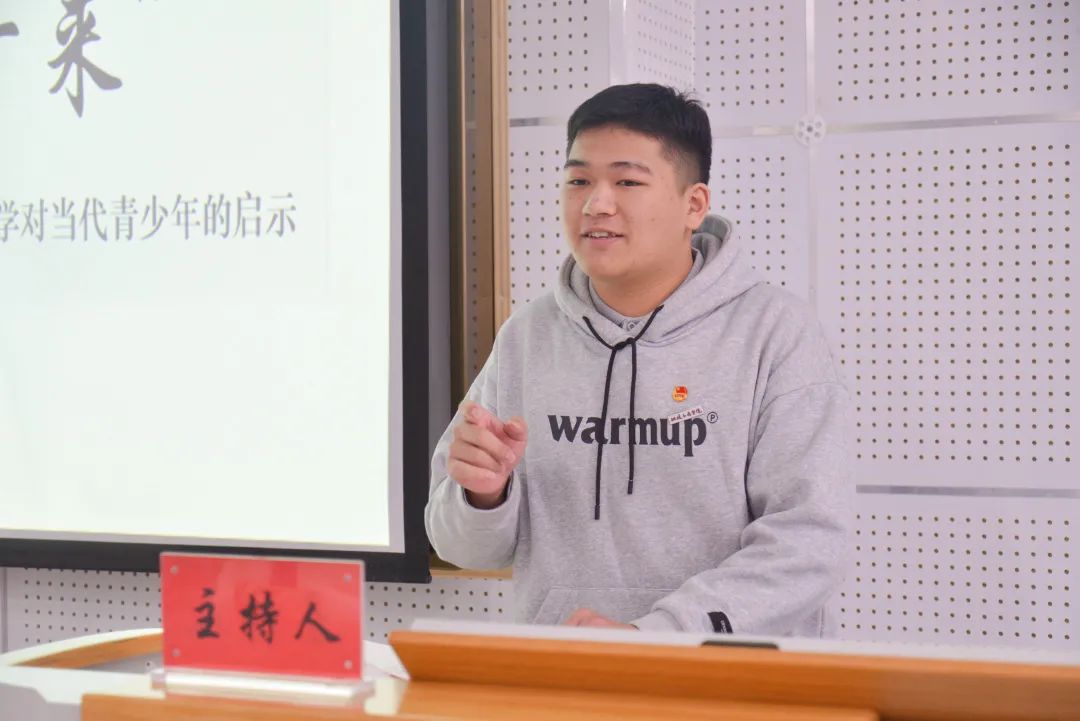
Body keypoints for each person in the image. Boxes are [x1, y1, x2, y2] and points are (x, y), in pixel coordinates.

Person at [425, 83, 852, 635]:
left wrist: (656, 635)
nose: (596, 203)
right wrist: (484, 495)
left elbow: (808, 542)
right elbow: (462, 548)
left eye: (627, 181)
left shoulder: (776, 333)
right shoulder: (527, 336)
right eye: (578, 181)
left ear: (693, 205)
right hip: (567, 669)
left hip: (727, 675)